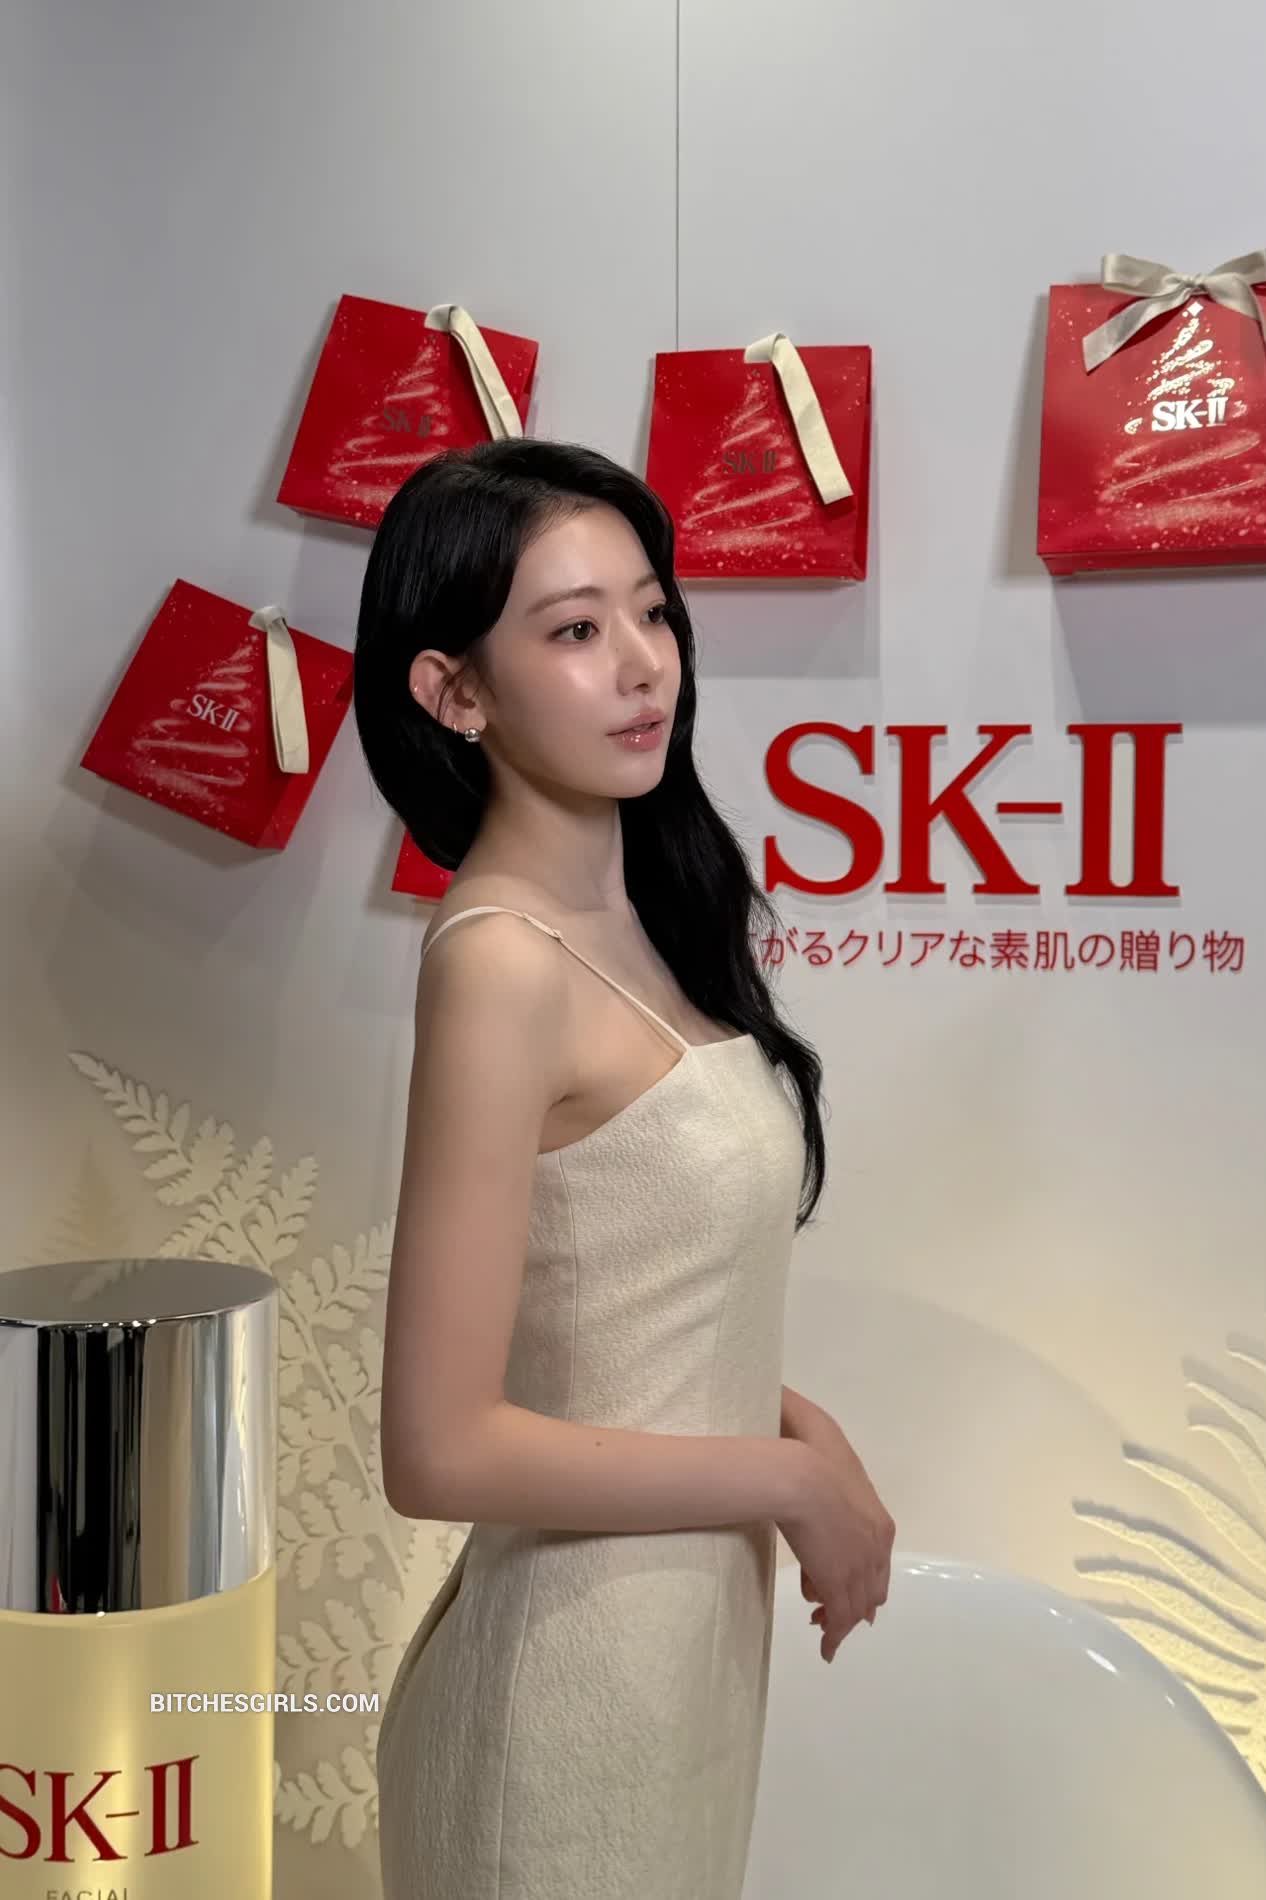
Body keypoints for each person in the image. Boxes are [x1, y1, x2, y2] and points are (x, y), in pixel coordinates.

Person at [353, 437, 895, 1900]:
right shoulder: (499, 965)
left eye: (652, 612)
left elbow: (630, 1314)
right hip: (562, 1707)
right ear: (453, 693)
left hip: (680, 1676)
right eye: (575, 631)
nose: (645, 664)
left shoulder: (650, 920)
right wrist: (789, 1478)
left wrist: (805, 1433)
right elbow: (437, 1449)